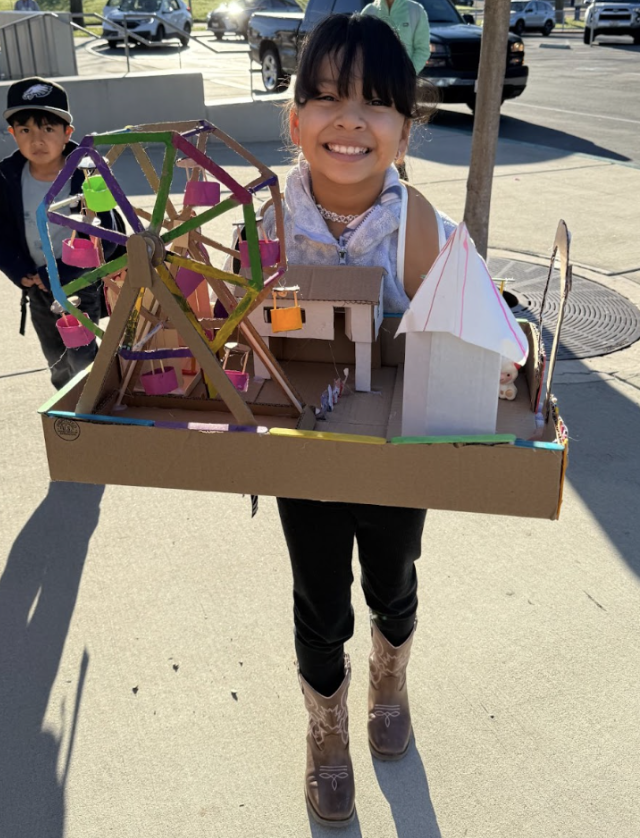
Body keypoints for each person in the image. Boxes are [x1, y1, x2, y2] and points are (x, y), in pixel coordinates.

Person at [257, 14, 456, 828]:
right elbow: (232, 317)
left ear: (405, 131)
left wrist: (505, 350)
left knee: (392, 575)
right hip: (302, 447)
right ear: (296, 119)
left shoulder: (418, 226)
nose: (350, 119)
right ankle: (326, 725)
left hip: (393, 451)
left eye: (376, 103)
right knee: (316, 595)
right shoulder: (265, 215)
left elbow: (469, 323)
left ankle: (390, 673)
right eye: (328, 97)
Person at [0, 77, 110, 390]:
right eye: (25, 130)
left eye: (48, 129)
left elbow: (108, 232)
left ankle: (93, 412)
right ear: (12, 134)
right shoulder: (8, 178)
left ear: (68, 133)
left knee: (84, 361)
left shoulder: (87, 176)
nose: (36, 140)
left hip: (79, 284)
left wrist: (64, 270)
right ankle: (67, 412)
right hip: (37, 288)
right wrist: (18, 269)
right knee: (56, 361)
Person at [362, 0, 429, 179]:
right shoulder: (369, 11)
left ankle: (399, 172)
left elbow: (422, 50)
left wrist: (404, 76)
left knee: (400, 129)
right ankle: (375, 171)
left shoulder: (415, 11)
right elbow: (359, 49)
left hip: (402, 86)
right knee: (373, 129)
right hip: (372, 86)